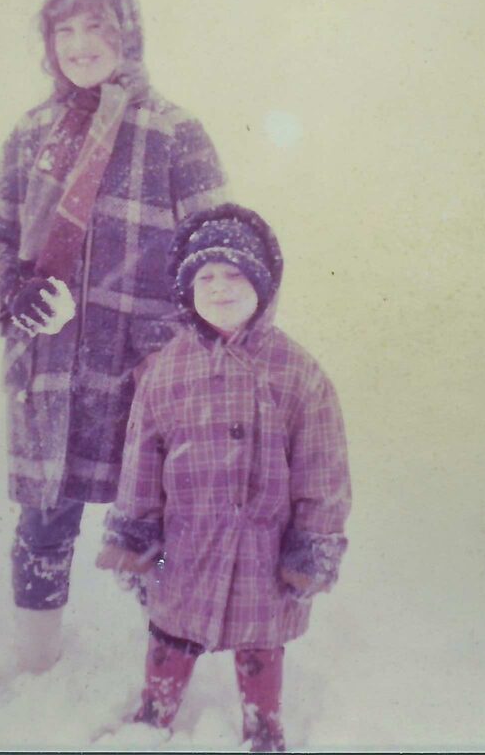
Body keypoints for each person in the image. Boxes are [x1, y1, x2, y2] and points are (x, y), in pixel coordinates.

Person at [0, 0, 227, 676]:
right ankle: (37, 670)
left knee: (153, 523)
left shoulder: (174, 134)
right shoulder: (31, 135)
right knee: (44, 521)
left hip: (139, 375)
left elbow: (218, 256)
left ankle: (170, 677)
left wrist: (182, 352)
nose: (80, 45)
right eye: (65, 30)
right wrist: (13, 288)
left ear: (129, 37)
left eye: (97, 28)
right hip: (49, 374)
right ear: (47, 43)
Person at [96, 203, 352, 753]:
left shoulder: (298, 372)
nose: (219, 289)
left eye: (234, 275)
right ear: (187, 290)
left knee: (262, 637)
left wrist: (312, 544)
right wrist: (137, 536)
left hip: (265, 547)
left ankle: (264, 726)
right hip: (183, 545)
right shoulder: (167, 369)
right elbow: (141, 461)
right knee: (170, 628)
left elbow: (323, 470)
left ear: (262, 284)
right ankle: (154, 711)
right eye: (205, 277)